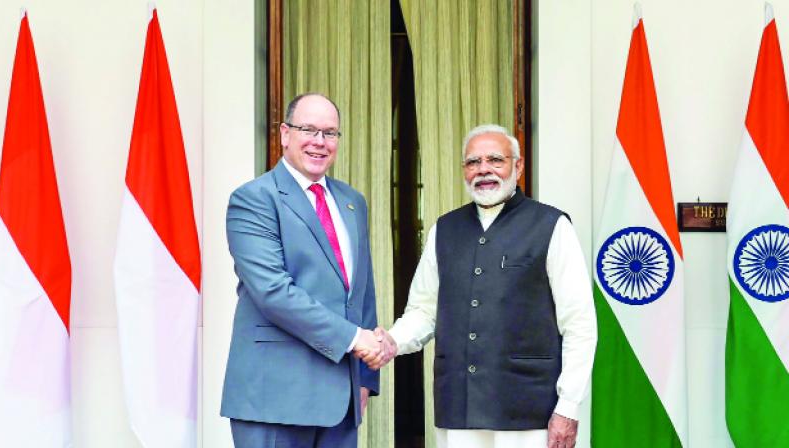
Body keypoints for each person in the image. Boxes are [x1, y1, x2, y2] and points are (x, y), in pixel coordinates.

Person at [371, 124, 597, 448]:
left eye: (495, 160)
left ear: (517, 166)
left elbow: (579, 323)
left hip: (530, 413)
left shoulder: (552, 226)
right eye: (473, 162)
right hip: (459, 408)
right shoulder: (443, 230)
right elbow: (423, 311)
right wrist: (391, 341)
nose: (484, 170)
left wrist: (569, 405)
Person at [221, 93, 385, 448]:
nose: (319, 142)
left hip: (341, 402)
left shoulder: (352, 202)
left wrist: (366, 378)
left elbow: (361, 293)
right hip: (274, 400)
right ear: (284, 134)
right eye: (308, 130)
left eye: (330, 133)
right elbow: (273, 292)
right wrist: (357, 340)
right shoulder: (253, 199)